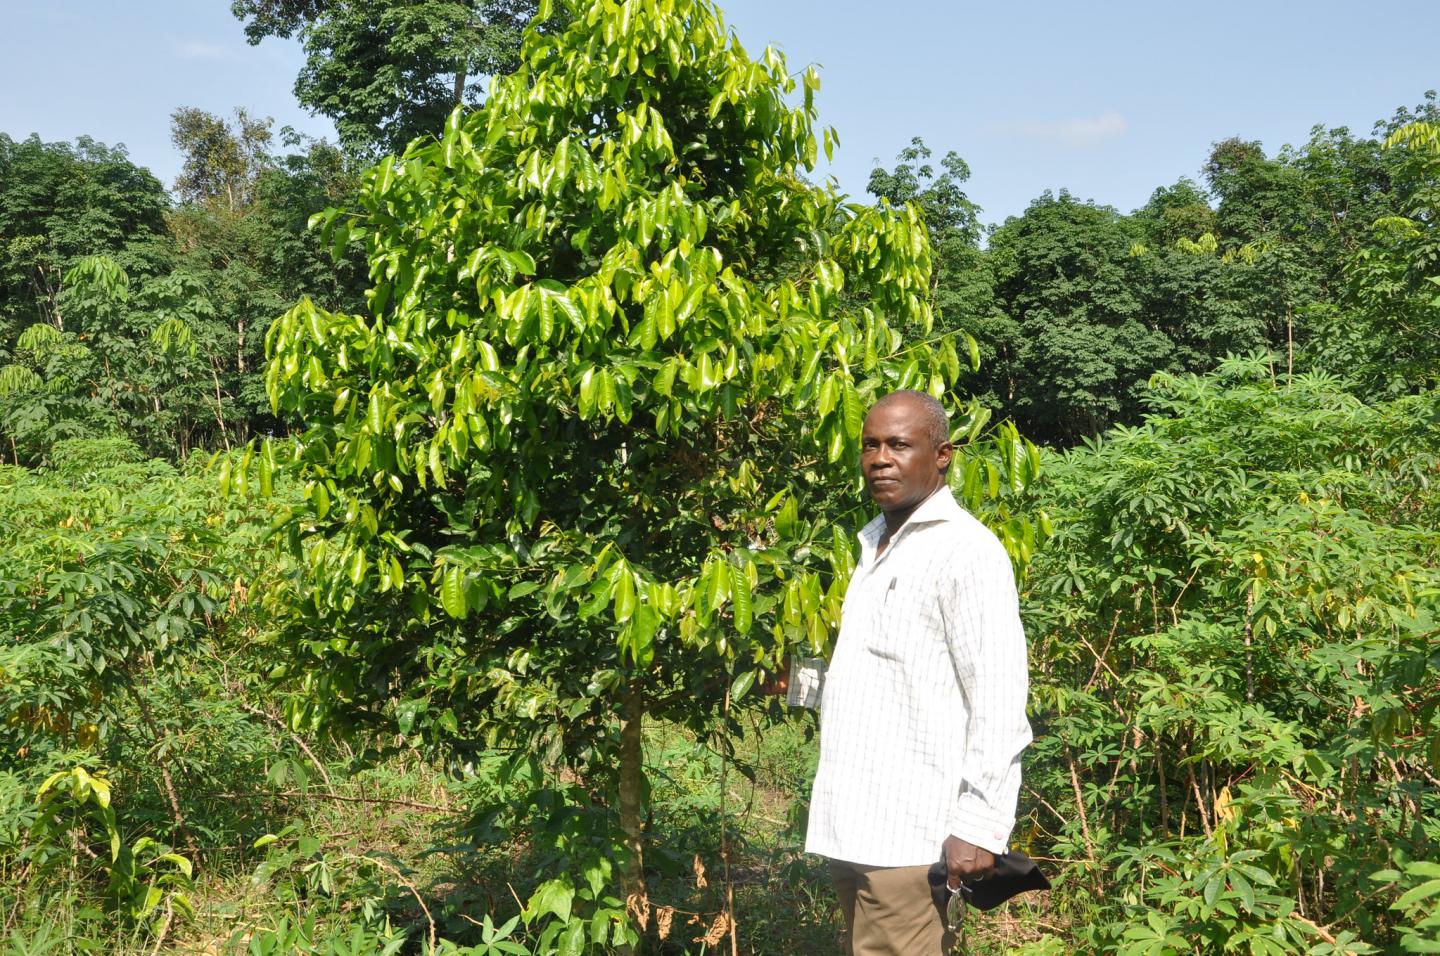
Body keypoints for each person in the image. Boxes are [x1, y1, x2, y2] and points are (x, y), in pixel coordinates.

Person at [804, 389, 1032, 955]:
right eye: (870, 446)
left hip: (910, 836)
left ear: (942, 455)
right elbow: (884, 677)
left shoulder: (965, 551)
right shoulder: (875, 542)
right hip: (852, 825)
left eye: (899, 445)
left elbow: (999, 699)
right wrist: (796, 684)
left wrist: (979, 826)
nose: (880, 458)